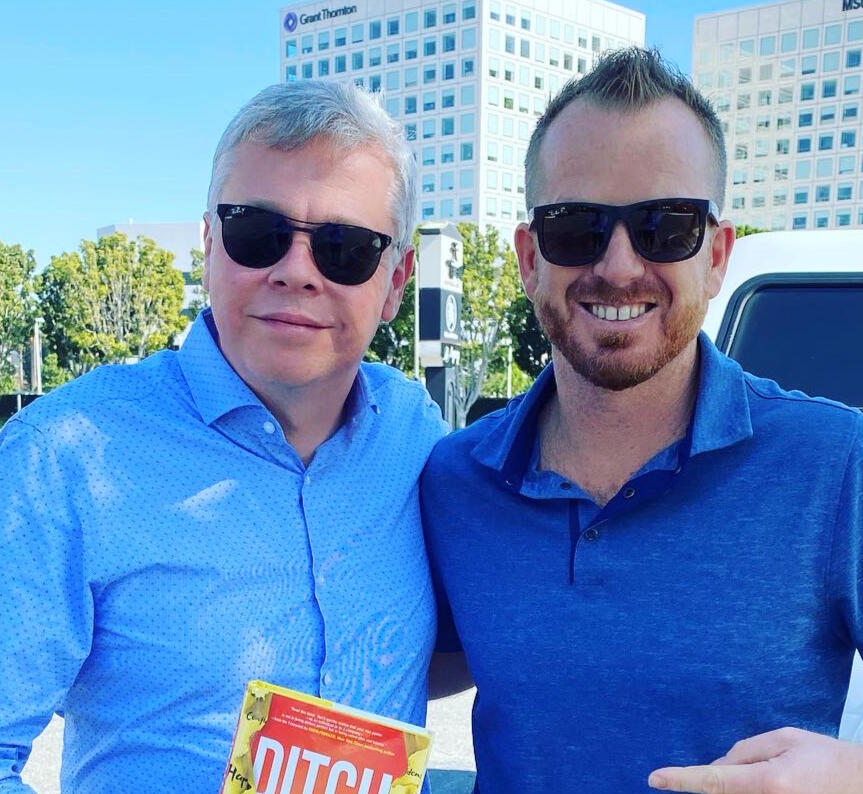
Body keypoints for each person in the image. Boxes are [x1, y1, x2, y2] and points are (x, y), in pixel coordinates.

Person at [421, 48, 863, 794]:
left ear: (716, 257)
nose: (619, 266)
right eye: (575, 227)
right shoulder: (456, 480)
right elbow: (378, 664)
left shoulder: (836, 464)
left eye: (665, 226)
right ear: (528, 259)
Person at [0, 80, 446, 792]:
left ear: (396, 281)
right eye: (256, 233)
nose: (296, 272)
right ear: (209, 246)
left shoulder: (414, 436)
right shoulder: (65, 456)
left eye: (344, 247)